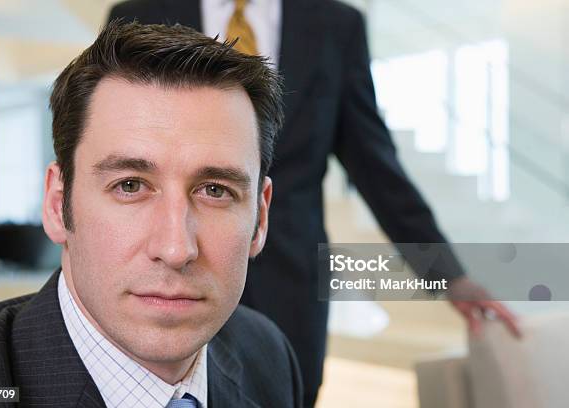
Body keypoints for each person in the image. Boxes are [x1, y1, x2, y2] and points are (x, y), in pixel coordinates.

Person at [107, 1, 522, 406]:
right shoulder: (139, 16)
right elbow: (107, 161)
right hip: (167, 272)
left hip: (290, 282)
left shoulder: (337, 27)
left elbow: (377, 170)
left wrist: (449, 275)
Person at [0, 22, 303, 408]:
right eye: (130, 186)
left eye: (215, 191)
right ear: (58, 205)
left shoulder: (267, 354)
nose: (175, 249)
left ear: (260, 216)